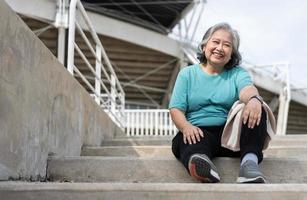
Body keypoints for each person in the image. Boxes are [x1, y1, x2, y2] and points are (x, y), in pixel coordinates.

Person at [169, 22, 269, 183]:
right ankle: (202, 166)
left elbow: (247, 89)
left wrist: (253, 99)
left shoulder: (237, 73)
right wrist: (186, 127)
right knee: (185, 140)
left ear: (232, 54)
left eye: (227, 45)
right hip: (199, 133)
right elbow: (176, 109)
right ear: (204, 46)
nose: (220, 48)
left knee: (257, 106)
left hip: (230, 137)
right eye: (215, 42)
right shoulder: (187, 74)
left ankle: (249, 166)